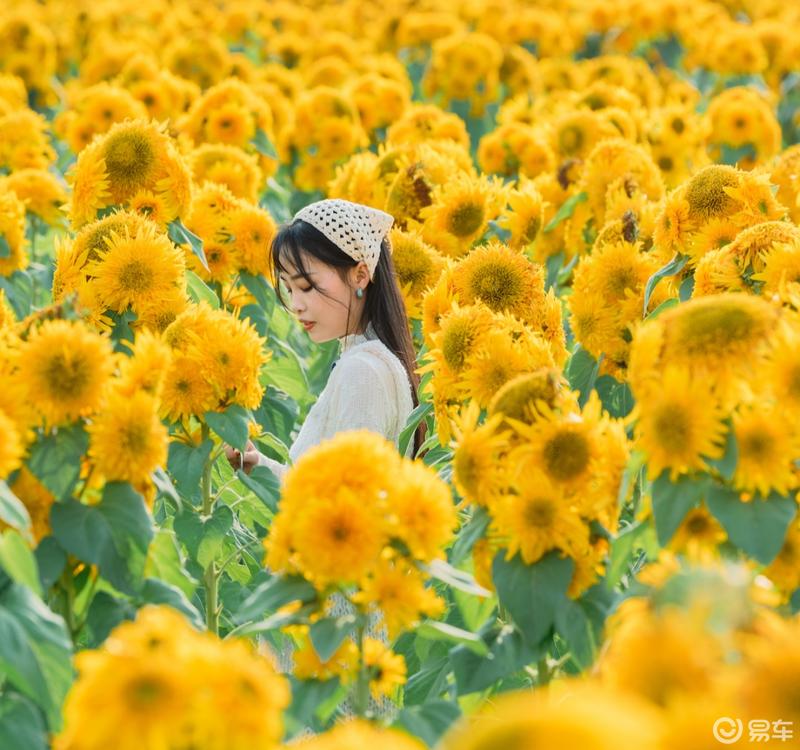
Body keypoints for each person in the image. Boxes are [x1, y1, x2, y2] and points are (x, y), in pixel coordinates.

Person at [225, 198, 425, 479]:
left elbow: (346, 502)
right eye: (289, 289)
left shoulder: (362, 371)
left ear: (360, 275)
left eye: (306, 286)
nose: (296, 304)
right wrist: (257, 466)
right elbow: (319, 491)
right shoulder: (378, 361)